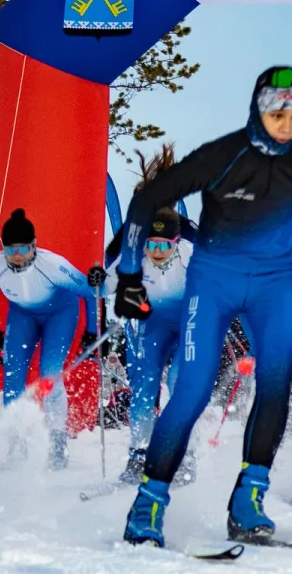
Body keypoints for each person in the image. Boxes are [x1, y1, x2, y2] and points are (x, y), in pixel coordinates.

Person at [116, 66, 292, 547]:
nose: (287, 119)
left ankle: (247, 500)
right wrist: (129, 273)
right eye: (278, 107)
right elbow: (149, 198)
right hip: (213, 282)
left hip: (273, 286)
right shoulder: (223, 154)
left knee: (274, 385)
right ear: (258, 105)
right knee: (192, 388)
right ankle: (149, 501)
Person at [0, 207, 100, 469]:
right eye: (11, 250)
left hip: (60, 314)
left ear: (35, 245)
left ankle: (57, 440)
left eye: (25, 248)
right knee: (13, 378)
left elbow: (89, 292)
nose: (18, 256)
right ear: (3, 249)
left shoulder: (52, 265)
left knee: (50, 374)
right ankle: (17, 444)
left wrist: (92, 332)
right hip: (23, 317)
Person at [99, 150, 194, 485]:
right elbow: (109, 274)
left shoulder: (186, 236)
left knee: (180, 384)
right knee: (143, 386)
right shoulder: (133, 236)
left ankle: (183, 455)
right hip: (150, 322)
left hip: (185, 323)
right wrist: (99, 281)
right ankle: (139, 453)